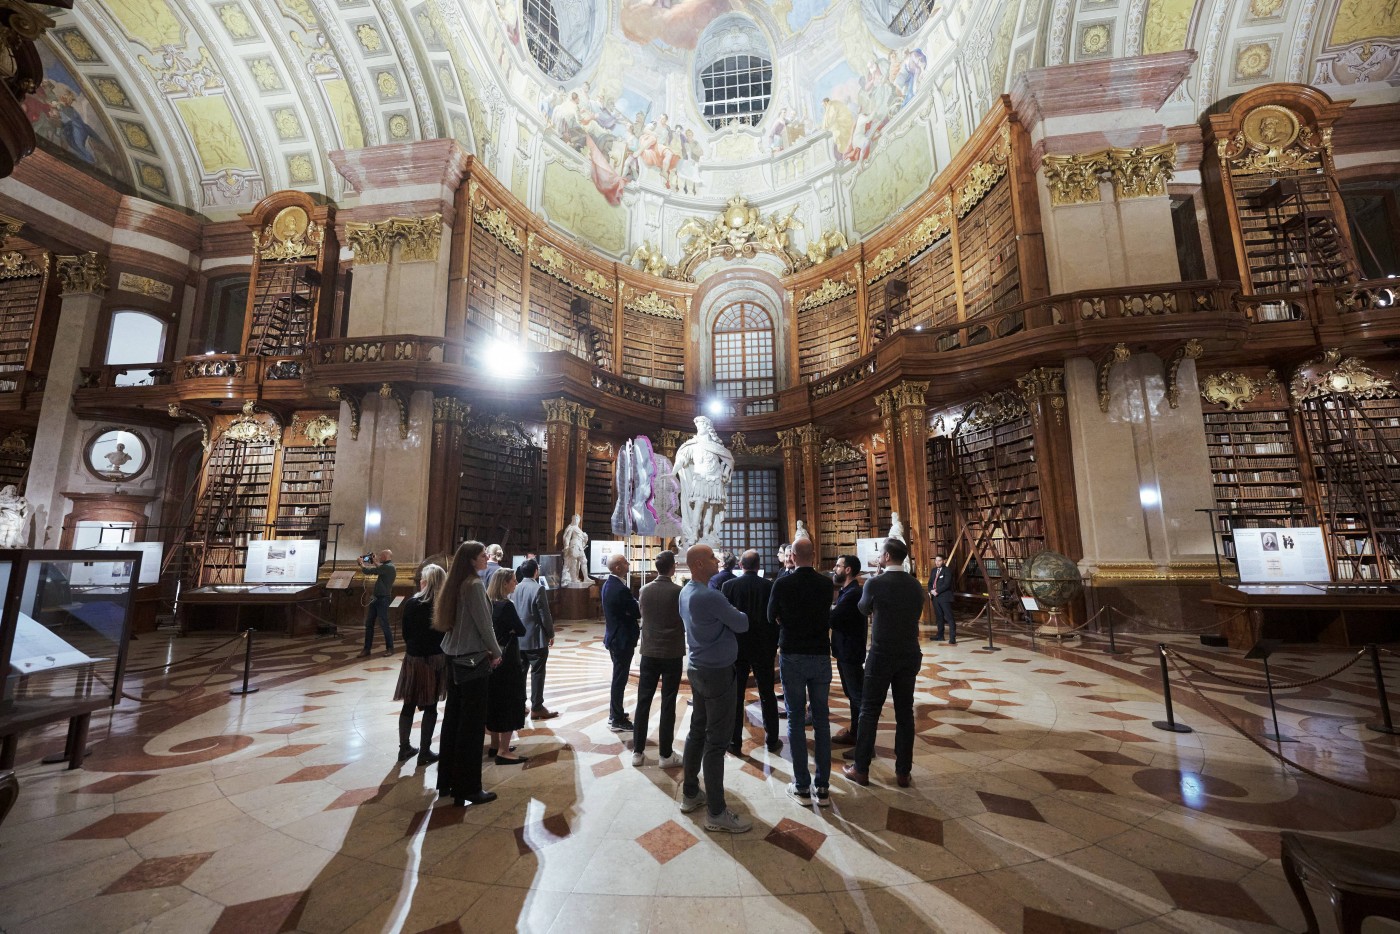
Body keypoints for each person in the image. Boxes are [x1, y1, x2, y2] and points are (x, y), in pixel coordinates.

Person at [678, 543, 753, 833]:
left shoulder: (686, 591)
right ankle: (717, 812)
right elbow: (742, 623)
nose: (716, 559)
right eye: (711, 557)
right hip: (717, 672)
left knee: (697, 730)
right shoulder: (710, 596)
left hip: (697, 667)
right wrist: (729, 619)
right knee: (717, 741)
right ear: (698, 564)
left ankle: (690, 793)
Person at [844, 538, 924, 789]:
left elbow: (862, 608)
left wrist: (873, 587)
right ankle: (903, 772)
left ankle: (861, 769)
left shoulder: (875, 583)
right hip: (909, 652)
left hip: (881, 654)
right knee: (905, 713)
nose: (878, 558)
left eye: (880, 555)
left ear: (887, 557)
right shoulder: (914, 585)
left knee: (869, 711)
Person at [434, 540, 502, 807]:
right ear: (472, 560)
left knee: (453, 720)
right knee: (472, 726)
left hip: (454, 656)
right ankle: (470, 787)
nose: (487, 557)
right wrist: (497, 652)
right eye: (483, 555)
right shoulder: (474, 585)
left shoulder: (456, 582)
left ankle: (447, 782)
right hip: (471, 660)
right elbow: (485, 624)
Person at [767, 538, 833, 806]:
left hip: (792, 653)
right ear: (814, 555)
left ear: (792, 556)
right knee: (822, 719)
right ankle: (824, 787)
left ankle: (802, 786)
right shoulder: (826, 584)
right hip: (819, 654)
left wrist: (785, 618)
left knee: (795, 719)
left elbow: (770, 616)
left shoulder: (782, 583)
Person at [722, 549, 780, 756]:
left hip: (737, 647)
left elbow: (725, 618)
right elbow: (774, 618)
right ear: (758, 565)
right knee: (767, 694)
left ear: (740, 565)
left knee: (736, 696)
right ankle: (772, 739)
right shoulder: (769, 586)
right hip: (764, 647)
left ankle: (734, 741)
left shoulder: (728, 586)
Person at [632, 549, 685, 768]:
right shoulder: (678, 592)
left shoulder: (644, 590)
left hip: (649, 651)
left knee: (643, 700)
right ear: (673, 568)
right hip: (671, 652)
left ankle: (637, 752)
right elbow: (683, 619)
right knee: (668, 701)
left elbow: (643, 615)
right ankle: (665, 754)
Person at [394, 563, 447, 765]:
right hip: (435, 658)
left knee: (409, 704)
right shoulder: (442, 605)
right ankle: (425, 750)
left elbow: (406, 633)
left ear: (426, 580)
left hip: (413, 658)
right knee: (431, 705)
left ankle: (404, 747)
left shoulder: (411, 603)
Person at [485, 568, 528, 766]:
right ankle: (504, 751)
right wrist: (511, 629)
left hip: (492, 659)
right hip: (508, 659)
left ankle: (495, 745)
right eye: (513, 581)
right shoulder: (506, 605)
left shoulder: (488, 603)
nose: (516, 584)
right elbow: (520, 629)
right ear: (504, 584)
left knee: (494, 701)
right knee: (510, 702)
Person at [512, 559, 557, 720]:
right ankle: (537, 706)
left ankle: (520, 704)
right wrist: (550, 634)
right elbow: (545, 615)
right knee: (538, 673)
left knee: (521, 673)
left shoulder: (514, 589)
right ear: (536, 572)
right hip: (535, 639)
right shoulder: (538, 589)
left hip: (518, 639)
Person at [829, 554, 866, 748]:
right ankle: (854, 733)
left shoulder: (853, 593)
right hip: (846, 650)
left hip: (850, 651)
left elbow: (834, 619)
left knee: (857, 696)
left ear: (848, 569)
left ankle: (863, 743)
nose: (835, 569)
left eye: (838, 566)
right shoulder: (847, 591)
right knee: (853, 695)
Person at [602, 552, 640, 732]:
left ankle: (615, 712)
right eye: (625, 562)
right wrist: (633, 606)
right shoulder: (619, 589)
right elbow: (636, 611)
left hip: (615, 637)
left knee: (619, 677)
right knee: (619, 679)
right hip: (621, 639)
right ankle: (616, 718)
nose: (629, 564)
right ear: (618, 567)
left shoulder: (609, 584)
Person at [358, 549, 396, 657]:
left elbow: (368, 571)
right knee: (369, 623)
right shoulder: (386, 567)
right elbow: (379, 567)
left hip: (383, 598)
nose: (379, 557)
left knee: (384, 623)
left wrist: (361, 563)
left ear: (385, 556)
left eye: (380, 555)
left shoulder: (388, 567)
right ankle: (367, 649)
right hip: (376, 598)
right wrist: (374, 561)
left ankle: (390, 648)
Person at [928, 554, 956, 644]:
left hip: (944, 597)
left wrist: (937, 591)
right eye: (936, 560)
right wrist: (931, 591)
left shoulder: (947, 571)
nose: (937, 562)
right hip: (935, 598)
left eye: (939, 560)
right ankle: (940, 636)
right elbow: (930, 583)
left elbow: (947, 584)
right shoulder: (933, 571)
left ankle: (952, 638)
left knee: (949, 617)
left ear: (944, 561)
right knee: (939, 617)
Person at [561, 515, 589, 586]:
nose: (576, 520)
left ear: (579, 520)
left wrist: (586, 538)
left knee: (584, 561)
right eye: (575, 518)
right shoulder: (571, 528)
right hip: (574, 545)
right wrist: (567, 546)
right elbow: (567, 538)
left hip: (580, 547)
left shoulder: (579, 529)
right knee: (574, 561)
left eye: (578, 519)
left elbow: (584, 540)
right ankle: (573, 578)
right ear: (572, 519)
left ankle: (586, 578)